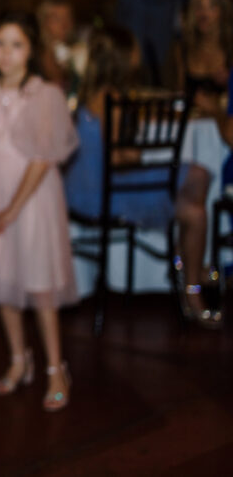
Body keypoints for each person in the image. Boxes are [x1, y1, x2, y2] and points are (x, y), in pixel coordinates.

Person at [0, 11, 78, 412]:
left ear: (31, 50)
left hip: (32, 200)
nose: (6, 54)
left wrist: (13, 208)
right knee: (1, 277)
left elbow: (43, 159)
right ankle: (18, 360)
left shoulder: (45, 95)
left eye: (17, 45)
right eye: (0, 44)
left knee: (39, 284)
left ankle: (56, 367)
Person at [64, 25, 219, 328]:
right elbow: (118, 158)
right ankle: (193, 286)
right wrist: (137, 154)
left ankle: (187, 263)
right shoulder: (109, 99)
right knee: (196, 205)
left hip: (97, 184)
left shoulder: (93, 93)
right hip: (100, 191)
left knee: (197, 185)